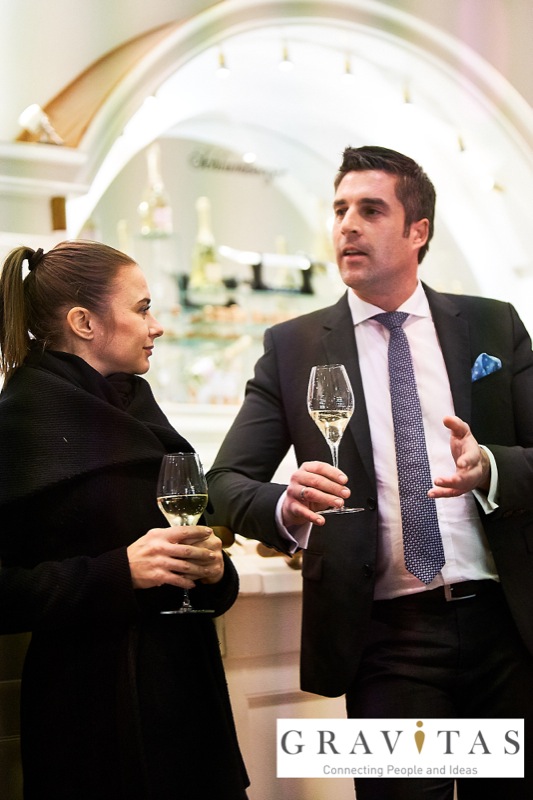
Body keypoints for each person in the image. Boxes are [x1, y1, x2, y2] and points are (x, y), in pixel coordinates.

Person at [206, 145, 533, 800]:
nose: (347, 225)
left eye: (370, 210)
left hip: (507, 628)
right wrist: (286, 505)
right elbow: (224, 484)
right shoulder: (292, 347)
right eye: (339, 210)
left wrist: (492, 465)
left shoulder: (492, 325)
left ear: (417, 232)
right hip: (387, 641)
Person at [0, 240, 249, 800]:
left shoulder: (139, 408)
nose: (156, 326)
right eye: (142, 308)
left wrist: (215, 572)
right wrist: (119, 572)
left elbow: (193, 555)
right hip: (89, 719)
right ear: (84, 322)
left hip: (188, 708)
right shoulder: (20, 426)